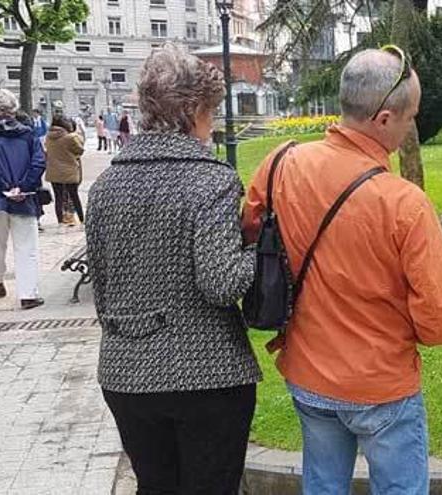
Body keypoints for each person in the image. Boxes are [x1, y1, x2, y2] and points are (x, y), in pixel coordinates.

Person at [241, 46, 442, 495]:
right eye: (410, 117)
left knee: (322, 487)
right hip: (382, 384)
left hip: (308, 375)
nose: (411, 127)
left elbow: (251, 232)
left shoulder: (280, 164)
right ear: (383, 119)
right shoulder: (404, 204)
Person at [85, 43, 260, 494]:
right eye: (212, 111)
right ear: (194, 109)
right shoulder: (211, 180)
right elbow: (221, 284)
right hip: (207, 375)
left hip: (125, 373)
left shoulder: (105, 185)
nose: (213, 123)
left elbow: (101, 288)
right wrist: (259, 251)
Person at [0, 89, 46, 309]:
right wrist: (23, 187)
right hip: (25, 198)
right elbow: (38, 162)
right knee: (27, 247)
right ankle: (28, 294)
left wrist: (2, 188)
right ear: (14, 108)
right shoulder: (29, 134)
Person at [45, 115, 85, 226]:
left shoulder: (48, 137)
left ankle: (60, 222)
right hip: (69, 170)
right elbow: (80, 150)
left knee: (58, 197)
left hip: (54, 171)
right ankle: (82, 219)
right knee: (74, 196)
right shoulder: (70, 138)